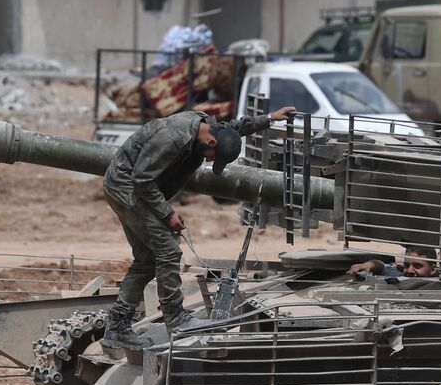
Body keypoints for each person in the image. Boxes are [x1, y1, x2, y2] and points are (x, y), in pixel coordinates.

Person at [102, 106, 296, 348]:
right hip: (128, 189)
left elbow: (231, 129)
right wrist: (167, 214)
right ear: (210, 141)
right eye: (213, 155)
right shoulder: (172, 138)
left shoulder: (205, 128)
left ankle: (117, 326)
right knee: (169, 251)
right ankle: (176, 318)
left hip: (133, 189)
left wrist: (267, 119)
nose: (210, 159)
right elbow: (142, 181)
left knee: (146, 260)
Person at [348, 246, 440, 279]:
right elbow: (383, 267)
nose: (410, 271)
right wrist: (367, 265)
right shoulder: (400, 277)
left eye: (417, 266)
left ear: (433, 269)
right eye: (406, 265)